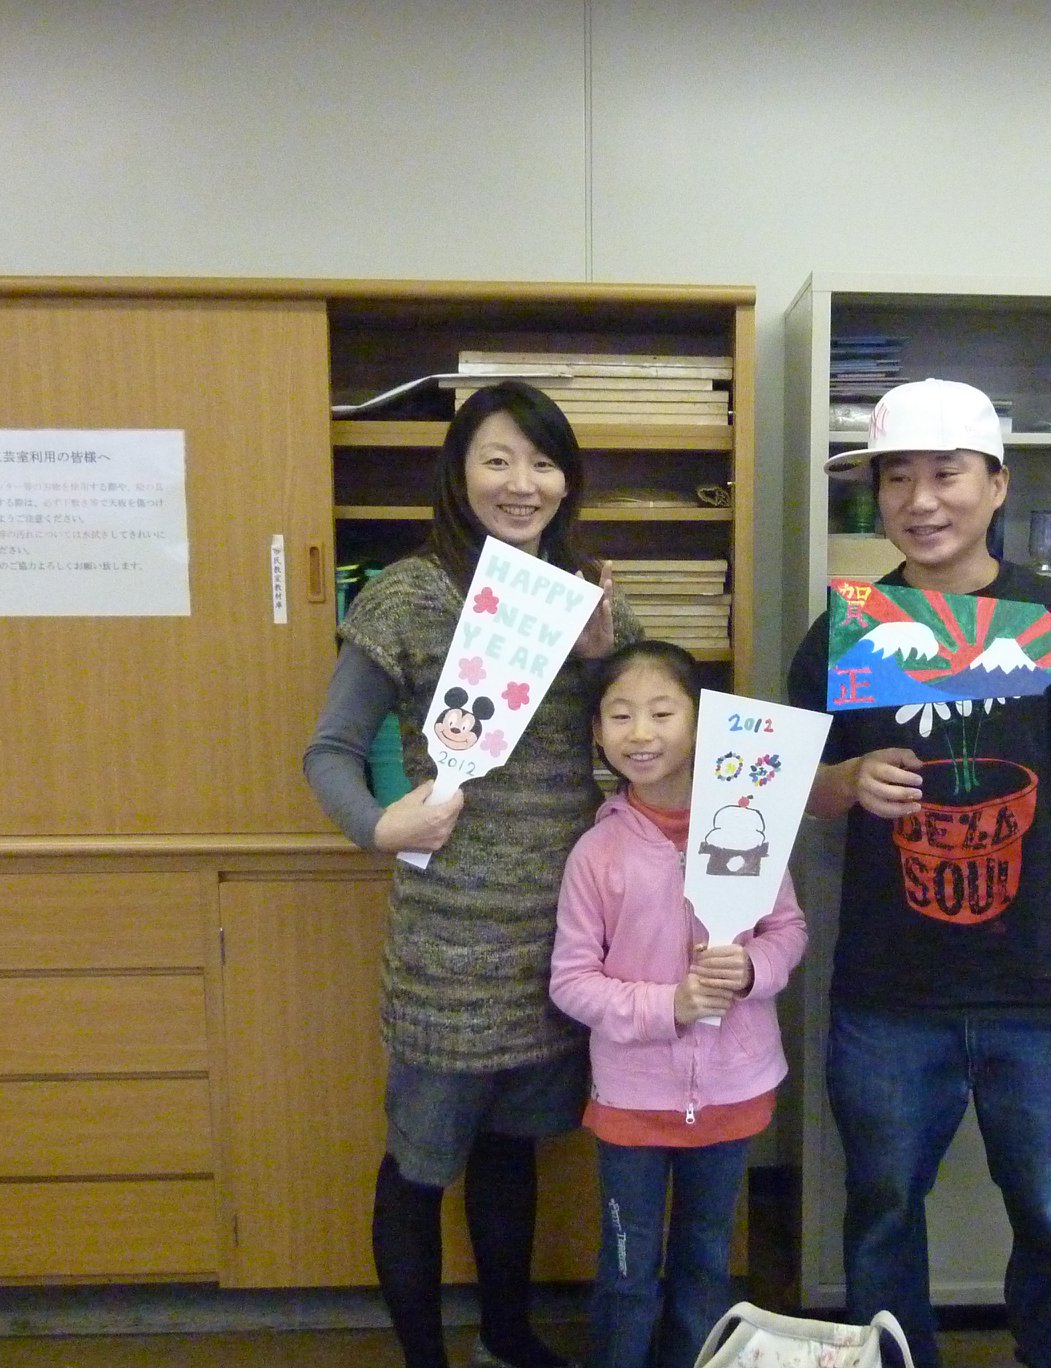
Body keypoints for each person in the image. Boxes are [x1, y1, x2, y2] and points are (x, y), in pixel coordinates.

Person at [785, 378, 1051, 1368]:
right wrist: (844, 781)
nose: (921, 501)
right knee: (881, 1210)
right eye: (896, 479)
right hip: (887, 990)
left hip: (1038, 990)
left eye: (946, 474)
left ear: (997, 485)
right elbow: (779, 789)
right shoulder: (848, 630)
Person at [304, 379, 638, 1368]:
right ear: (458, 473)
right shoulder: (410, 594)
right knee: (420, 1165)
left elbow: (642, 750)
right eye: (497, 459)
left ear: (568, 482)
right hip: (447, 947)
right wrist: (380, 824)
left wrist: (602, 659)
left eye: (543, 462)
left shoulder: (590, 597)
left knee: (512, 1151)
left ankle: (506, 1336)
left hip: (562, 941)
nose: (521, 483)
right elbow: (330, 750)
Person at [550, 640, 807, 1368]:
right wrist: (672, 1005)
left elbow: (788, 930)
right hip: (633, 1101)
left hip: (732, 1090)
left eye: (663, 713)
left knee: (705, 1263)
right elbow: (571, 981)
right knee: (628, 1271)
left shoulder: (750, 826)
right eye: (621, 715)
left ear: (701, 723)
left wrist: (752, 968)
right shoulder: (597, 853)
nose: (642, 733)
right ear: (597, 731)